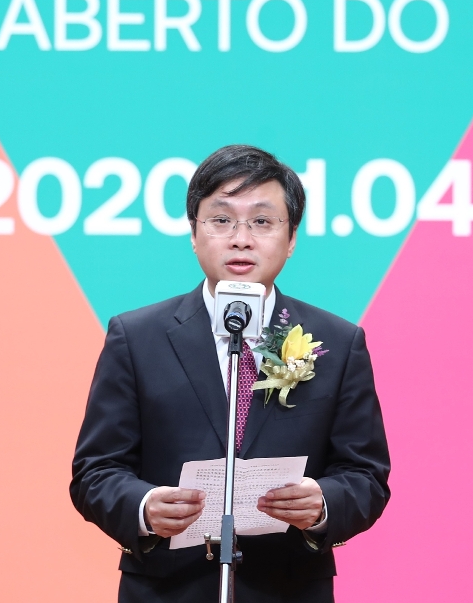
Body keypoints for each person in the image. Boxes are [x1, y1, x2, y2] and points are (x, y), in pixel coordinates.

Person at [71, 144, 391, 603]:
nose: (241, 239)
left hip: (287, 589)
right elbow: (95, 471)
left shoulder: (337, 343)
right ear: (193, 233)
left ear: (291, 238)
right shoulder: (136, 337)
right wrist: (142, 507)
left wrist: (323, 503)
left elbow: (366, 476)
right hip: (167, 590)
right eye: (221, 220)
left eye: (262, 221)